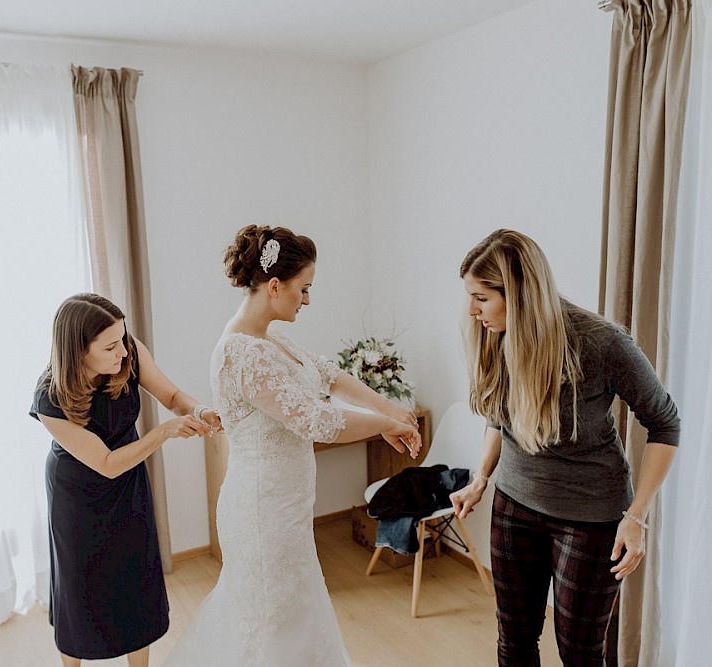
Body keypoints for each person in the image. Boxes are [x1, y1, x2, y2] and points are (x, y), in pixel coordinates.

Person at [163, 225, 422, 666]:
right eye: (303, 290)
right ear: (275, 285)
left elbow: (329, 375)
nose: (307, 301)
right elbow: (315, 420)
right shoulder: (240, 354)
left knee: (296, 615)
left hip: (288, 507)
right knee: (272, 621)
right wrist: (382, 424)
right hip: (262, 513)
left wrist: (391, 410)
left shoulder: (271, 336)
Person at [448, 230, 680, 666]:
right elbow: (501, 416)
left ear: (516, 294)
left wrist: (637, 518)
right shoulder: (496, 335)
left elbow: (665, 425)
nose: (471, 309)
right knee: (513, 642)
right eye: (470, 296)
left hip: (591, 518)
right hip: (514, 507)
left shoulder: (601, 343)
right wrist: (481, 477)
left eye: (481, 297)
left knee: (580, 653)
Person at [30, 293, 221, 667]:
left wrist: (200, 410)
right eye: (110, 346)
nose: (123, 352)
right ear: (78, 351)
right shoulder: (49, 397)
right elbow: (105, 462)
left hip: (128, 480)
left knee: (134, 573)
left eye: (123, 338)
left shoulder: (126, 351)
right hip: (78, 494)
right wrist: (164, 433)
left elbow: (170, 394)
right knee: (79, 585)